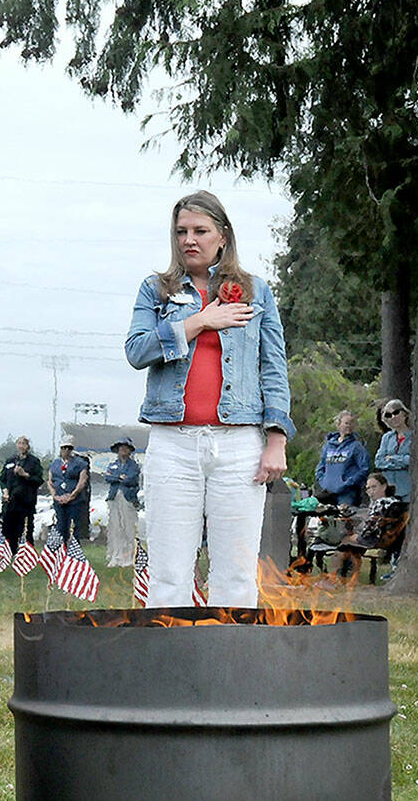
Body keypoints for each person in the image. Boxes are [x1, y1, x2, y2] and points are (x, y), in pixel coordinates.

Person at [125, 190, 294, 608]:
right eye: (181, 231)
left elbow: (273, 367)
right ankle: (169, 667)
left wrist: (277, 440)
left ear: (223, 236)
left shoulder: (255, 292)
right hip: (172, 443)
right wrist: (200, 321)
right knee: (168, 574)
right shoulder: (155, 290)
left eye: (200, 230)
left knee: (236, 575)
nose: (189, 240)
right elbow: (136, 350)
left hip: (238, 445)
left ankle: (232, 669)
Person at [334, 473, 406, 582]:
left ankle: (335, 577)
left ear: (384, 486)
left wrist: (356, 532)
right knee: (352, 543)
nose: (371, 491)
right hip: (390, 539)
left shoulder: (380, 503)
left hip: (375, 539)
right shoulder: (395, 502)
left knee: (343, 540)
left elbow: (369, 529)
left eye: (374, 487)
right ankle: (351, 577)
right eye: (368, 488)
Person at [314, 411, 369, 507]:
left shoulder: (356, 446)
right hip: (327, 492)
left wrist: (348, 483)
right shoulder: (328, 446)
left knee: (344, 519)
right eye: (346, 423)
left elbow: (364, 468)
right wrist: (323, 481)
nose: (349, 426)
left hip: (346, 494)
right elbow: (321, 467)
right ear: (338, 424)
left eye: (352, 423)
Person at [0, 436, 42, 549]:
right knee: (8, 529)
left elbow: (39, 480)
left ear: (28, 446)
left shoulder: (34, 462)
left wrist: (25, 475)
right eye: (19, 443)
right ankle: (10, 552)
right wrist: (5, 491)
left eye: (24, 444)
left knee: (26, 530)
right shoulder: (10, 461)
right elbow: (2, 479)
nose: (21, 446)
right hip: (10, 502)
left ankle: (27, 555)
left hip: (25, 503)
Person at [103, 436, 141, 567]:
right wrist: (118, 477)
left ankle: (130, 556)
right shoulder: (113, 464)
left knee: (129, 528)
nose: (123, 450)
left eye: (126, 447)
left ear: (130, 450)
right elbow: (108, 477)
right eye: (121, 448)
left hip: (128, 499)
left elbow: (131, 479)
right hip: (114, 498)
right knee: (115, 527)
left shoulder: (134, 465)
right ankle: (116, 556)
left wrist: (118, 478)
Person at [46, 436, 88, 546]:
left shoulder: (80, 463)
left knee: (74, 528)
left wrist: (72, 495)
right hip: (59, 501)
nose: (66, 450)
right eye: (64, 448)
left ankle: (73, 553)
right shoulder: (55, 464)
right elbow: (50, 481)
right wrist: (55, 495)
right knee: (61, 526)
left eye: (69, 448)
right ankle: (61, 550)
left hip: (75, 501)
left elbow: (82, 481)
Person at [373, 399, 412, 502]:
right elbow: (378, 461)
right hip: (389, 490)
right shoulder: (387, 437)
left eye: (396, 412)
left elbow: (412, 460)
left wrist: (392, 458)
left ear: (404, 413)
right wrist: (401, 462)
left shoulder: (415, 436)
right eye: (389, 415)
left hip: (409, 489)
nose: (393, 417)